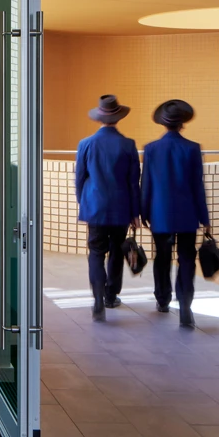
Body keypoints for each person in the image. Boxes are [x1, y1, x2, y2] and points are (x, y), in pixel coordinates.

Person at [140, 99, 210, 328]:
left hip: (160, 213)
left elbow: (146, 183)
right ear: (182, 124)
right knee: (187, 260)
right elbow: (197, 186)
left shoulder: (151, 148)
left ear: (163, 123)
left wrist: (143, 211)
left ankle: (162, 300)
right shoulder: (192, 148)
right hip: (188, 213)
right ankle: (185, 307)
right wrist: (204, 217)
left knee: (162, 258)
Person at [75, 95, 141, 322]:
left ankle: (97, 299)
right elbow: (134, 182)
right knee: (116, 251)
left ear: (100, 117)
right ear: (117, 117)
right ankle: (111, 296)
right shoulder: (128, 144)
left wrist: (84, 203)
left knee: (95, 252)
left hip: (95, 207)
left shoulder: (86, 144)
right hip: (121, 208)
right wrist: (135, 212)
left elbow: (80, 179)